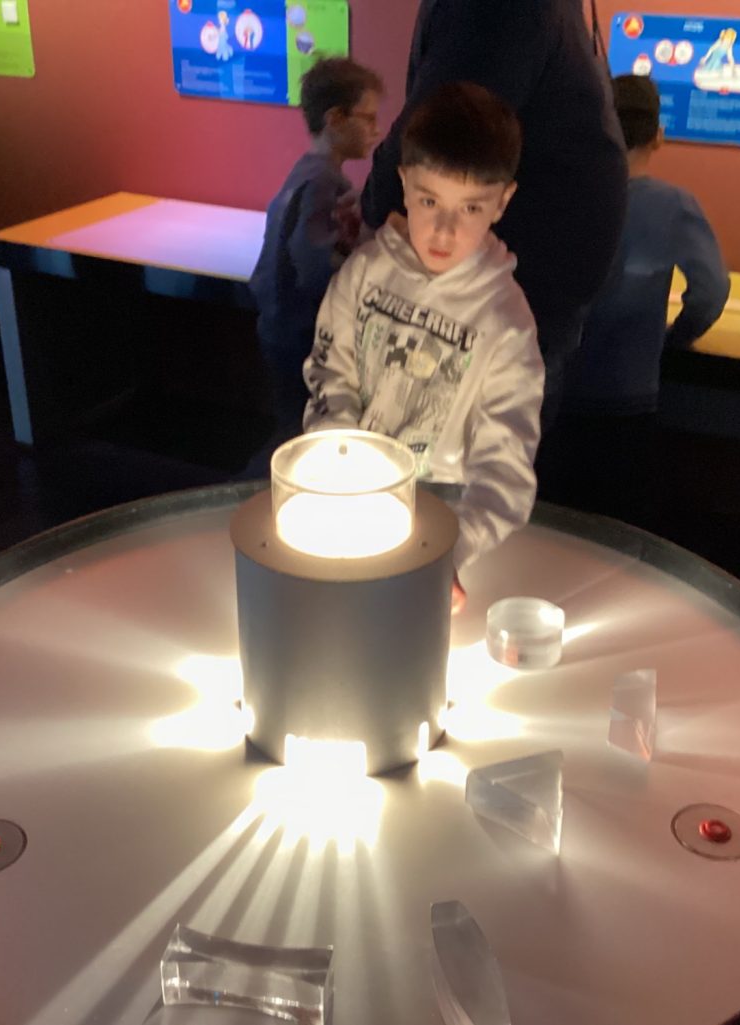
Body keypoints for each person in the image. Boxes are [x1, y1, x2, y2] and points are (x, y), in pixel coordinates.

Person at [303, 83, 545, 612]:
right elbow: (330, 375)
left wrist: (449, 549)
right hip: (349, 501)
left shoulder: (506, 322)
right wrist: (339, 472)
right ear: (404, 184)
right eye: (430, 200)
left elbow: (504, 466)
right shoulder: (364, 273)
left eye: (470, 207)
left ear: (502, 202)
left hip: (445, 527)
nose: (443, 230)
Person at [361, 0, 628, 438]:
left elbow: (440, 126)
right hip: (474, 326)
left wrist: (374, 207)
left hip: (499, 319)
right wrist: (375, 208)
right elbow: (441, 129)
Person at [542, 74, 729, 528]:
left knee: (553, 525)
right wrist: (675, 337)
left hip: (556, 397)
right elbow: (710, 291)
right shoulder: (674, 205)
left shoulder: (562, 195)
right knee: (619, 532)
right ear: (657, 135)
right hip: (627, 401)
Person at [248, 57, 383, 466]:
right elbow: (315, 268)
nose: (376, 130)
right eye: (368, 118)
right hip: (299, 334)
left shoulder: (307, 172)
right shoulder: (324, 183)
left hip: (280, 327)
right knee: (300, 434)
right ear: (335, 119)